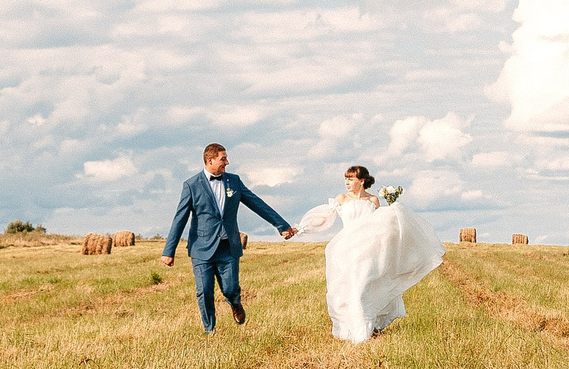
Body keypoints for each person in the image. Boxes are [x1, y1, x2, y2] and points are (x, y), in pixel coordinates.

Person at [293, 165, 444, 342]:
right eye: (346, 179)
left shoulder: (373, 201)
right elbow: (323, 218)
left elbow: (381, 224)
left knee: (365, 286)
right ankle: (351, 329)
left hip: (369, 250)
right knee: (350, 288)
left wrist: (394, 210)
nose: (347, 182)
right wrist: (302, 228)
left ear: (362, 180)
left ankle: (367, 328)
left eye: (351, 179)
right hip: (347, 248)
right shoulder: (341, 199)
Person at [160, 143, 296, 332]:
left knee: (231, 289)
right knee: (204, 292)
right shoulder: (191, 185)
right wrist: (169, 251)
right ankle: (210, 330)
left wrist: (282, 226)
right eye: (223, 159)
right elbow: (179, 219)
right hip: (201, 249)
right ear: (210, 160)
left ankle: (235, 303)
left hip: (228, 248)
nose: (227, 162)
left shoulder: (234, 181)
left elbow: (257, 204)